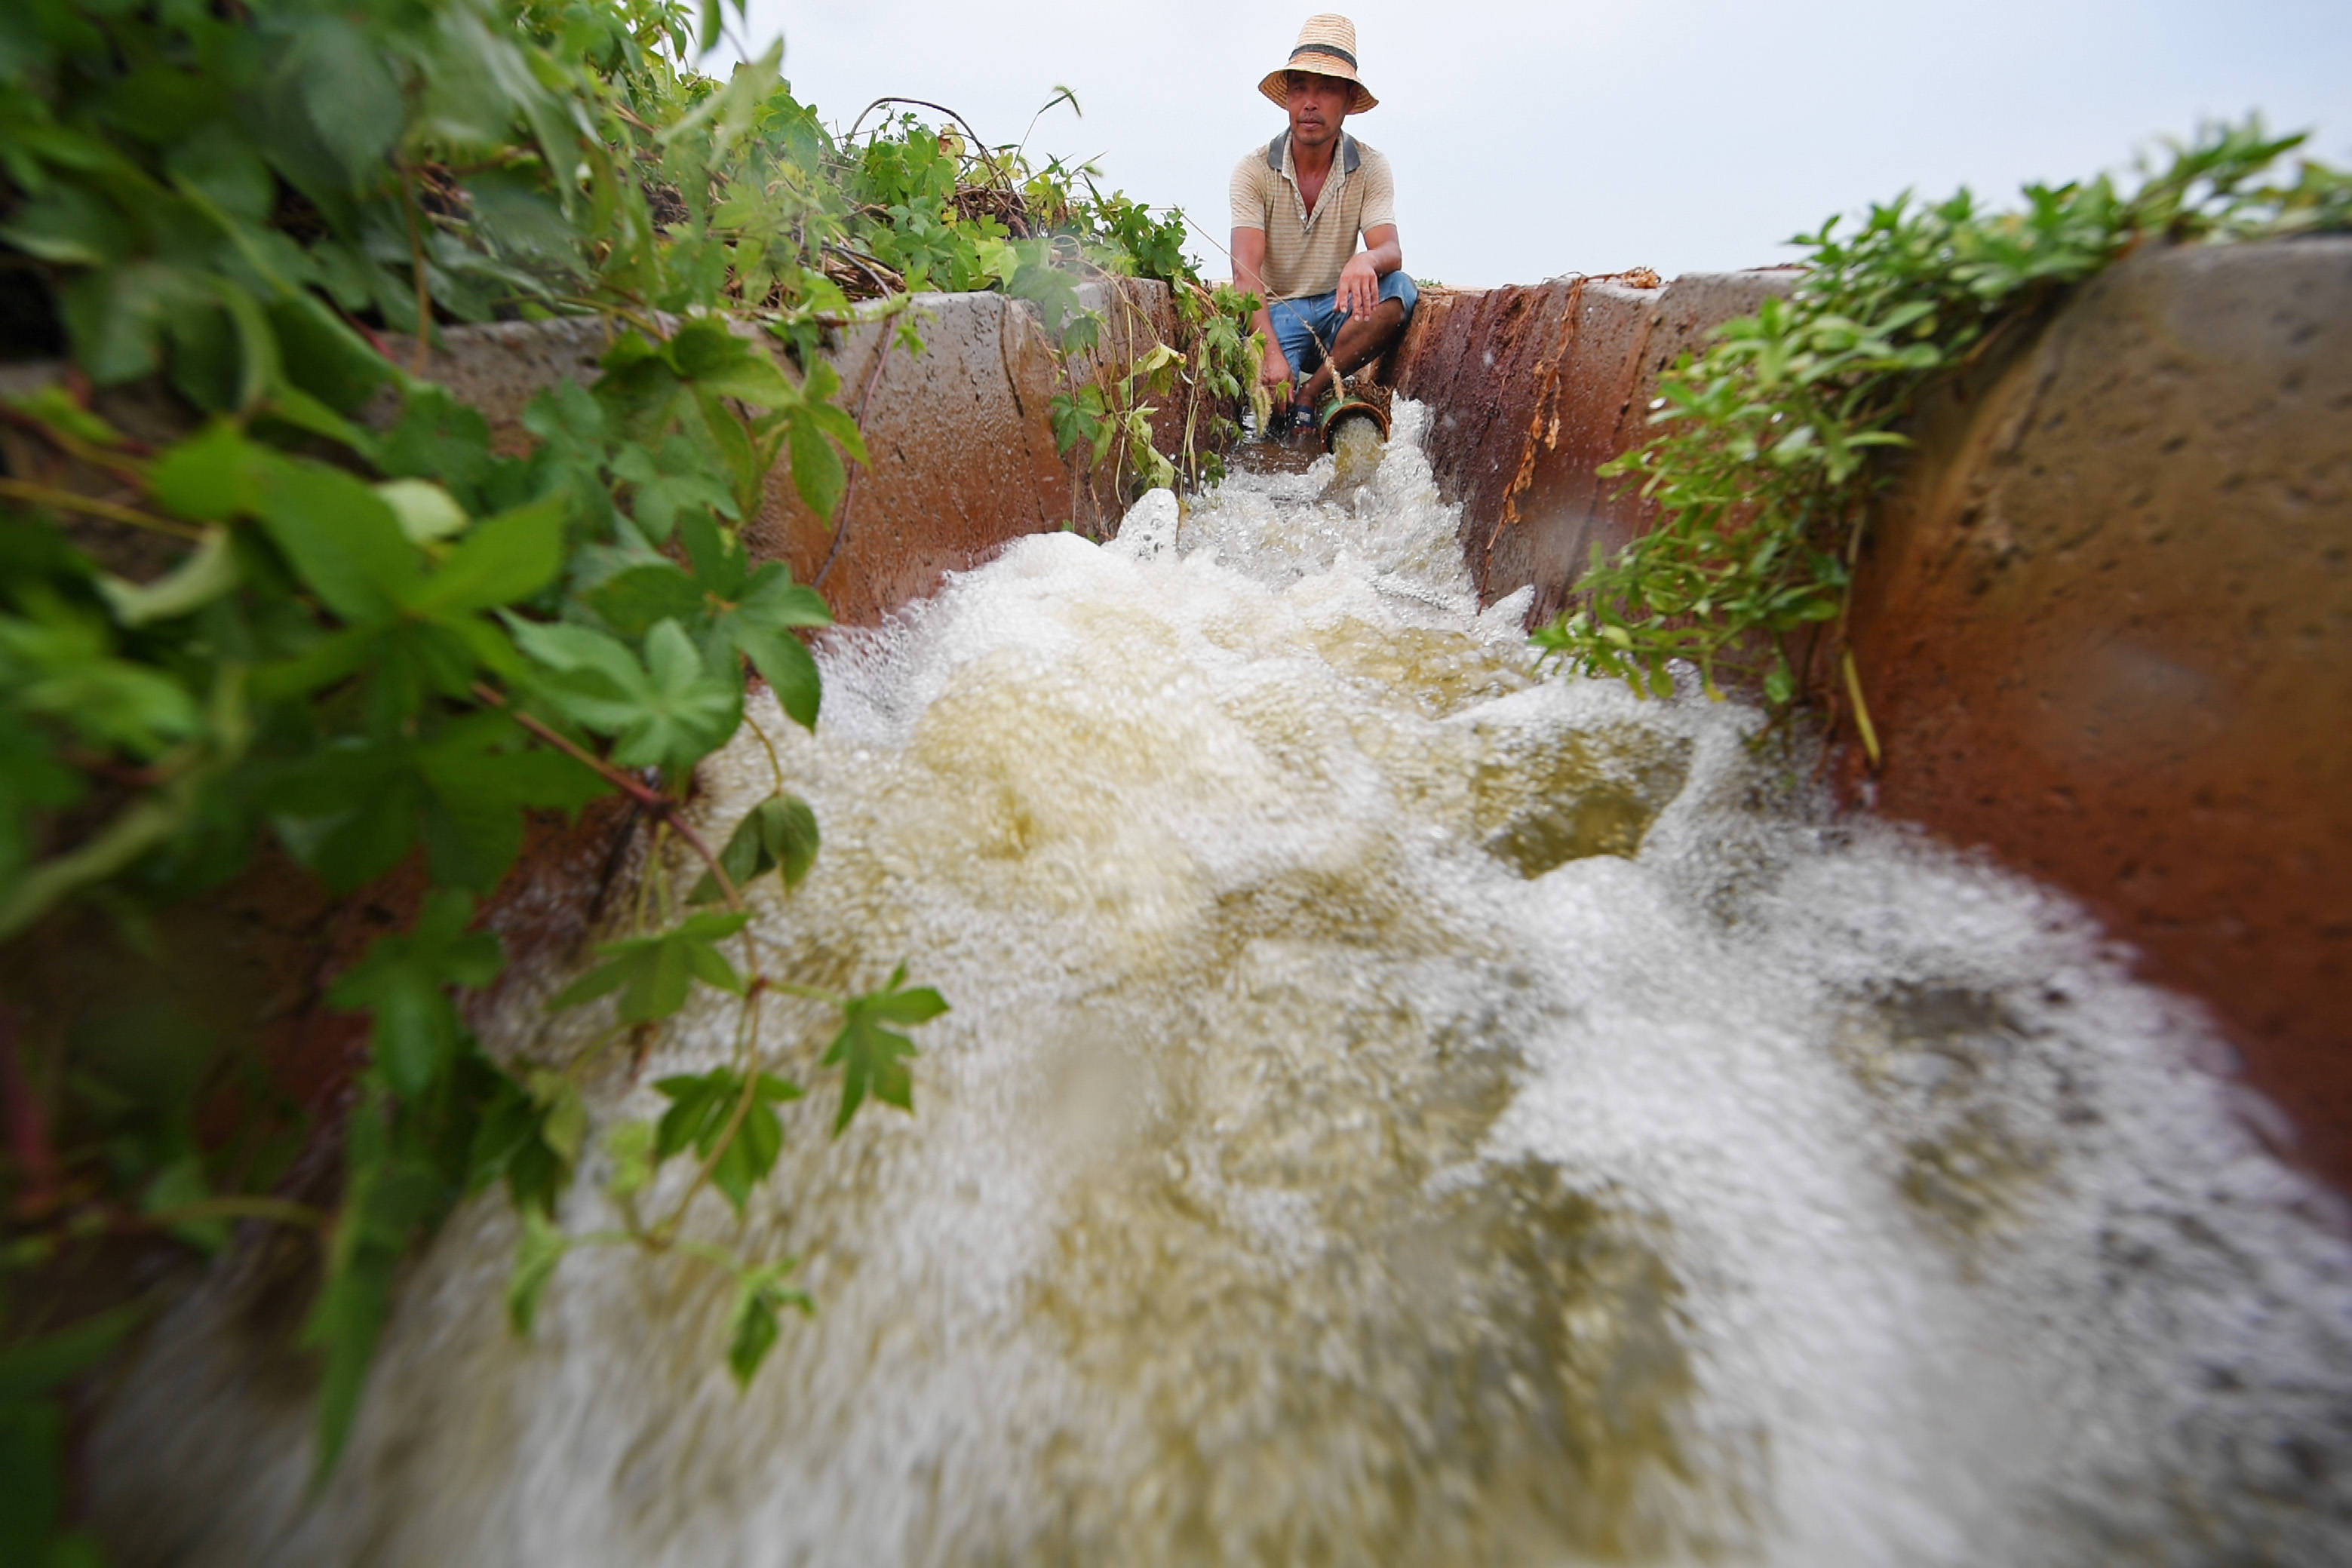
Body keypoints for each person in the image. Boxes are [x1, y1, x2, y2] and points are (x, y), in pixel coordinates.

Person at [1228, 14, 1416, 428]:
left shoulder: (1370, 166)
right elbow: (1245, 273)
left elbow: (1390, 249)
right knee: (1268, 417)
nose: (1310, 103)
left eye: (1326, 89)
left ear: (1348, 101)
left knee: (1400, 290)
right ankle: (1291, 401)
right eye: (1300, 88)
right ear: (1288, 99)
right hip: (1278, 315)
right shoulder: (1254, 170)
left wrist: (1365, 260)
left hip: (1339, 310)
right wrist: (1270, 354)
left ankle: (1313, 392)